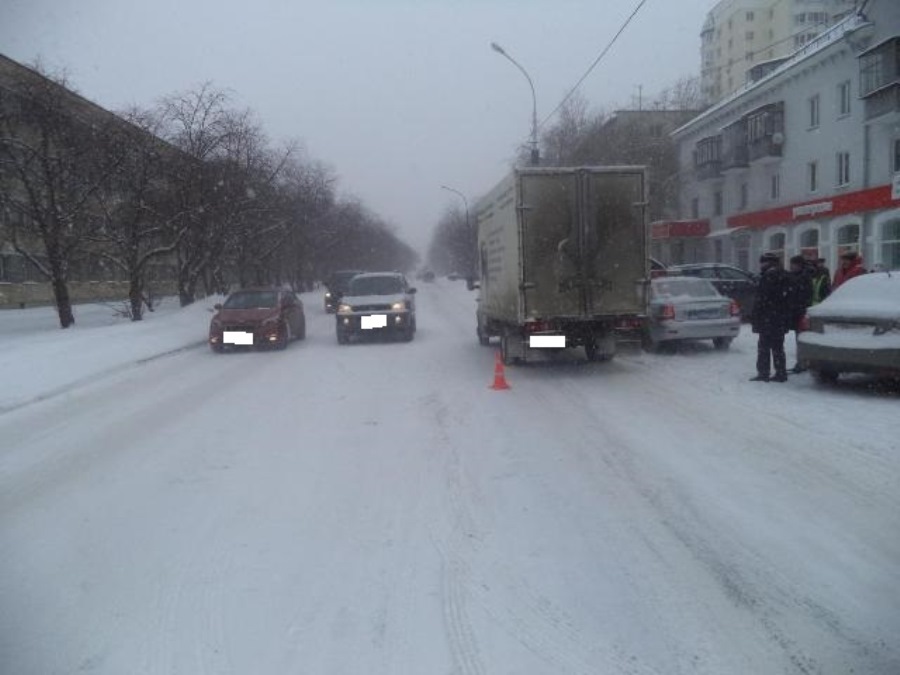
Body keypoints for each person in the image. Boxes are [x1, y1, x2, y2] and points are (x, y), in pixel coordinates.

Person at [750, 252, 792, 382]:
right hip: (778, 318)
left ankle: (764, 373)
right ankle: (780, 373)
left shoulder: (770, 276)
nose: (761, 265)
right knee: (777, 347)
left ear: (769, 263)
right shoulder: (783, 274)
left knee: (764, 346)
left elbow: (763, 299)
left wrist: (758, 315)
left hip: (769, 318)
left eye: (763, 262)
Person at [788, 255, 813, 373]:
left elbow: (805, 296)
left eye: (793, 264)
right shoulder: (795, 276)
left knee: (802, 338)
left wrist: (800, 308)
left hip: (802, 312)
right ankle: (802, 362)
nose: (791, 267)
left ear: (799, 265)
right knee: (799, 338)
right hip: (796, 311)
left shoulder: (804, 277)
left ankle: (803, 363)